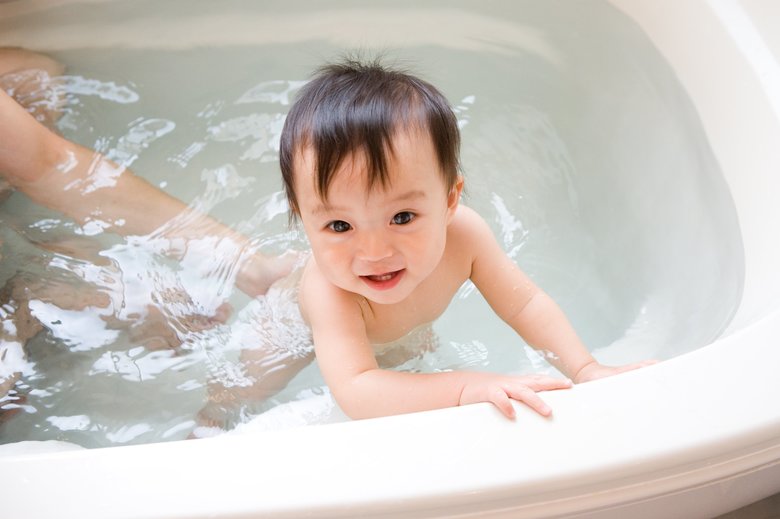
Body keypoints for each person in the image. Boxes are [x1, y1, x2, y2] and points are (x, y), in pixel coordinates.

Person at [200, 57, 655, 426]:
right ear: (302, 219)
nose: (375, 252)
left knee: (409, 362)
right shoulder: (329, 290)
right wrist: (465, 387)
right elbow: (358, 389)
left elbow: (525, 304)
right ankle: (206, 421)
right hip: (292, 330)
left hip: (395, 329)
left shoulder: (466, 235)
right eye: (339, 226)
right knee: (243, 388)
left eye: (403, 216)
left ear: (451, 199)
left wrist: (585, 369)